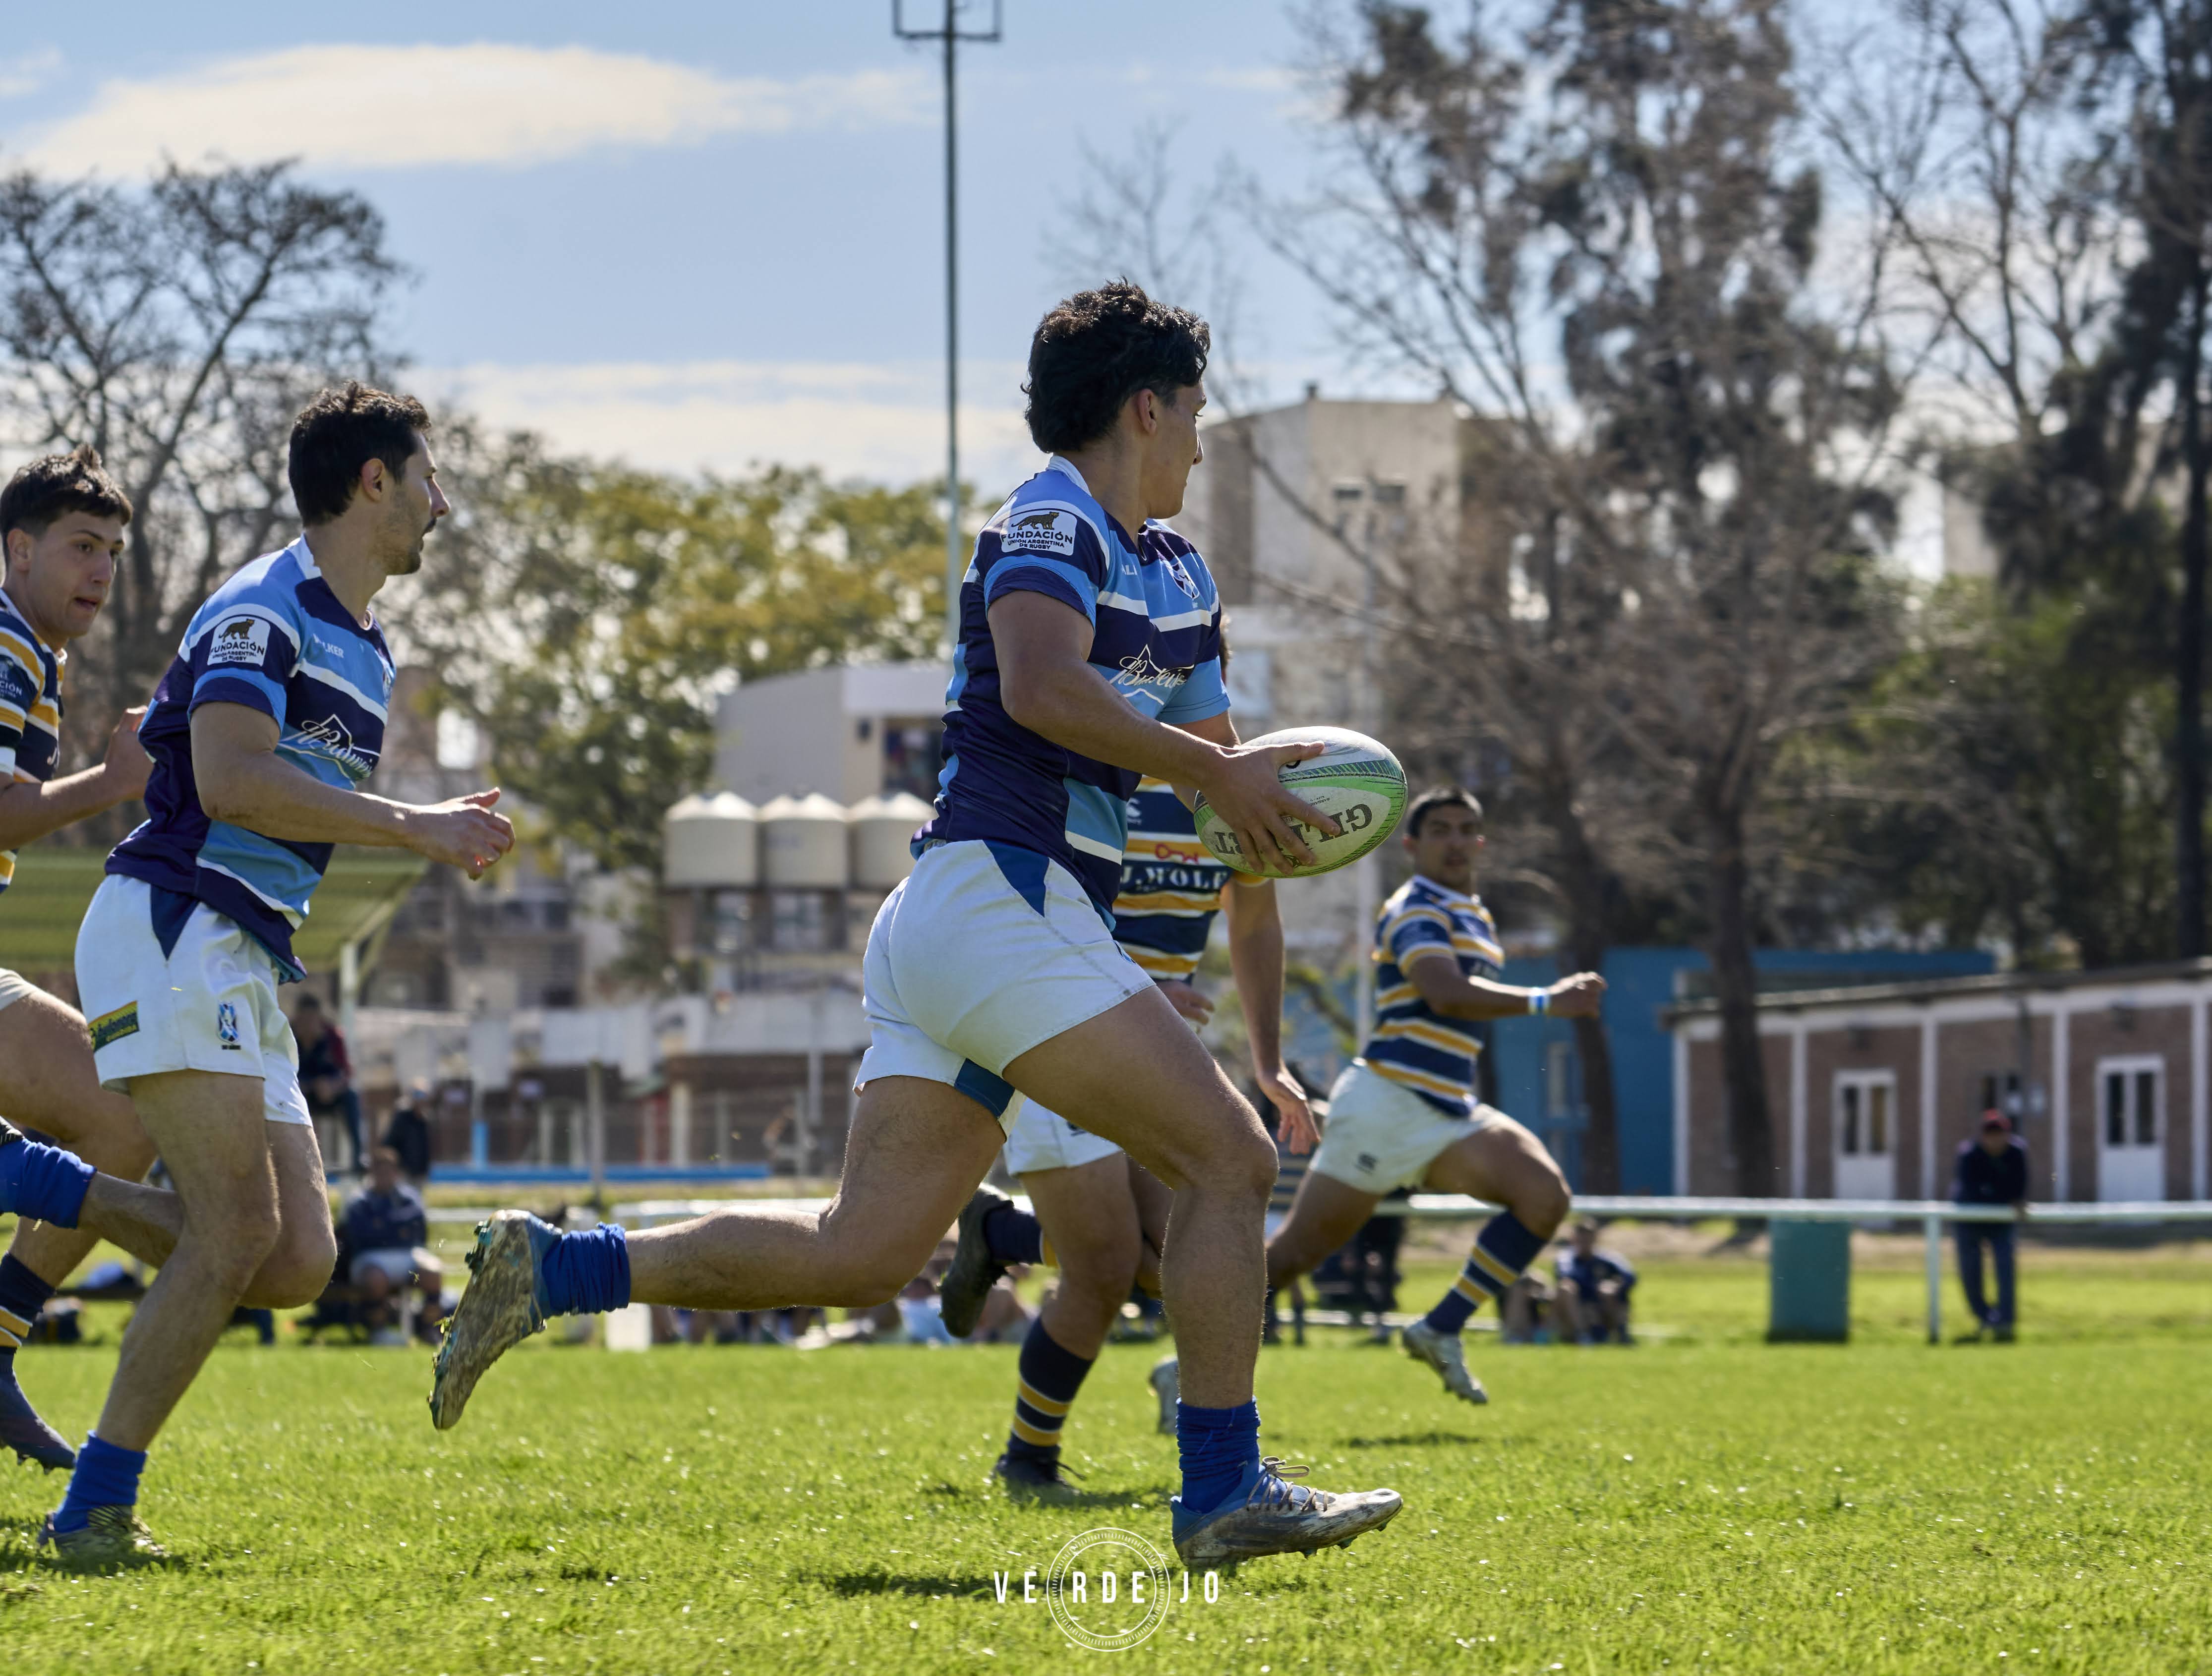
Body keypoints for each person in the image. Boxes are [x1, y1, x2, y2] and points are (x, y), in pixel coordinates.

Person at [426, 283, 1403, 1570]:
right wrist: (1208, 785)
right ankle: (1223, 1488)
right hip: (999, 894)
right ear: (1143, 408)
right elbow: (1041, 686)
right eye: (1194, 414)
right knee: (1228, 1160)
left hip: (987, 920)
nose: (1201, 444)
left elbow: (1216, 774)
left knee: (861, 1252)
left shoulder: (1176, 572)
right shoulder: (1049, 514)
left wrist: (1266, 813)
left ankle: (554, 1269)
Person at [0, 383, 516, 1567]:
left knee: (292, 1262)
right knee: (233, 1230)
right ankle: (95, 1508)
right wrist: (419, 826)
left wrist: (418, 823)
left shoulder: (366, 644)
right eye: (427, 477)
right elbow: (231, 781)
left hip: (239, 948)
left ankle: (41, 1180)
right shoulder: (262, 606)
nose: (442, 503)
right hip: (177, 921)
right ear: (373, 482)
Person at [936, 770, 1317, 1499]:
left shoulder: (1230, 797)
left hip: (1160, 1051)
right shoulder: (1082, 776)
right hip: (1060, 1029)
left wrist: (1269, 1065)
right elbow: (1030, 912)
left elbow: (1255, 924)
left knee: (1184, 1257)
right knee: (1106, 1269)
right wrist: (1132, 983)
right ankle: (1027, 1461)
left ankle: (1005, 1234)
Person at [1258, 787, 1600, 1406]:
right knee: (1287, 1262)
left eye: (1466, 829)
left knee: (1543, 1196)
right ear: (1412, 846)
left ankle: (1439, 1329)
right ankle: (1185, 1368)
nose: (1455, 841)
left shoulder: (1475, 915)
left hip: (1446, 1107)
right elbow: (1443, 992)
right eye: (1440, 830)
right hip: (1385, 1105)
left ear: (1481, 843)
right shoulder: (1415, 906)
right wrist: (1547, 1001)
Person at [0, 447, 161, 1470]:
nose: (100, 568)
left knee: (123, 1117)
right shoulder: (4, 647)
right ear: (18, 550)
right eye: (80, 545)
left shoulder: (30, 651)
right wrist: (113, 781)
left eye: (111, 550)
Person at [341, 1147, 444, 1345]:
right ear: (372, 1173)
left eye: (389, 1172)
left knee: (433, 1273)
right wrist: (397, 1228)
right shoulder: (359, 1201)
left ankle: (429, 1329)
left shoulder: (409, 1198)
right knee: (375, 1279)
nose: (385, 1177)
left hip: (407, 1254)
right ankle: (379, 1331)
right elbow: (362, 1237)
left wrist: (383, 1224)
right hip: (371, 1258)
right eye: (380, 1172)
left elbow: (417, 1223)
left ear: (397, 1173)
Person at [1953, 1110, 2029, 1342]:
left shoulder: (2017, 1153)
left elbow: (2019, 1188)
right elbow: (1973, 1191)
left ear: (2007, 1135)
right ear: (1982, 1137)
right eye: (1991, 1135)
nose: (1996, 1140)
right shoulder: (1968, 1155)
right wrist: (2005, 1199)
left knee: (2006, 1267)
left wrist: (2008, 1199)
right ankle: (1985, 1316)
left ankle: (2005, 1323)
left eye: (2000, 1134)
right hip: (1970, 1219)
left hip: (2001, 1220)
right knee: (1970, 1270)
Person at [291, 993, 364, 1177]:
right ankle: (296, 1157)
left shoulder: (333, 1037)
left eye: (312, 1019)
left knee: (352, 1097)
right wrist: (308, 1086)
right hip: (300, 1092)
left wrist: (332, 1087)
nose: (308, 1025)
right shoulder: (288, 1036)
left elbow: (346, 1072)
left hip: (330, 1093)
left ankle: (358, 1157)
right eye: (304, 1020)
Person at [1553, 1219, 1635, 1344]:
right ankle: (1583, 1335)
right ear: (1574, 1238)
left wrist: (1614, 1286)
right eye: (1582, 1239)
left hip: (1601, 1308)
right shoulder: (1566, 1258)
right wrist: (1594, 1288)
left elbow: (1630, 1276)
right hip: (1579, 1307)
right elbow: (1565, 1276)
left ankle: (1621, 1334)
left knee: (1608, 1290)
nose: (1585, 1243)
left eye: (1588, 1239)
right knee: (1566, 1288)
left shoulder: (1607, 1258)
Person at [382, 1081, 435, 1182]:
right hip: (404, 1172)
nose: (421, 1099)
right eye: (417, 1095)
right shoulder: (402, 1118)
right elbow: (389, 1143)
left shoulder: (425, 1121)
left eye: (423, 1095)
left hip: (420, 1173)